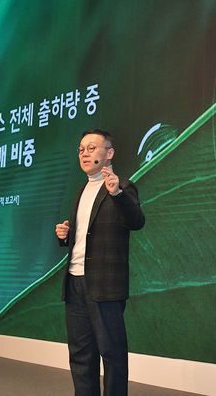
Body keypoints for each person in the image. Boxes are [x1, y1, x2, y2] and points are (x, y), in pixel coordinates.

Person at [55, 129, 145, 396]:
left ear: (110, 153)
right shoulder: (81, 190)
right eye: (81, 149)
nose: (84, 153)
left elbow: (137, 221)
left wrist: (117, 194)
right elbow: (87, 235)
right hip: (75, 282)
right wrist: (66, 235)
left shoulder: (123, 187)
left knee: (112, 354)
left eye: (91, 148)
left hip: (105, 285)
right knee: (81, 355)